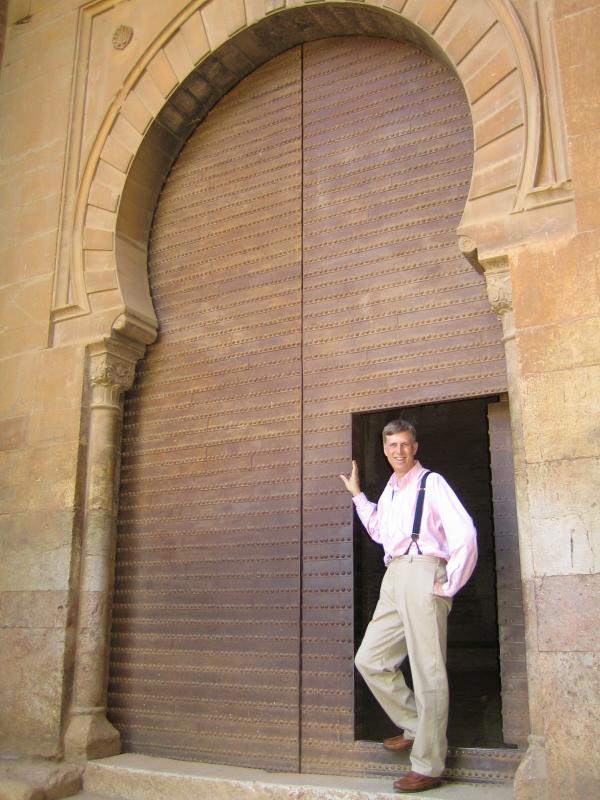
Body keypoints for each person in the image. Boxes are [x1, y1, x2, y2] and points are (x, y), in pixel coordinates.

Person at [339, 419, 477, 794]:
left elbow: (465, 533)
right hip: (395, 575)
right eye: (391, 446)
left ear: (415, 447)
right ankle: (415, 726)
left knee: (428, 670)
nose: (398, 451)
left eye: (404, 444)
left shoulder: (431, 483)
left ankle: (430, 763)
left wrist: (450, 582)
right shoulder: (391, 490)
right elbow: (382, 532)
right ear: (385, 451)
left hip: (423, 572)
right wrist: (357, 496)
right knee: (370, 659)